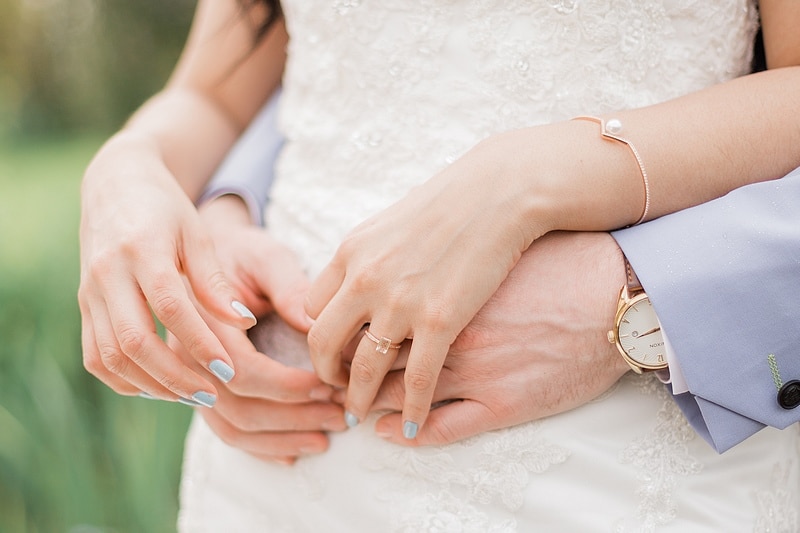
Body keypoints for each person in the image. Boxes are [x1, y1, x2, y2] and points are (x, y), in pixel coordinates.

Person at [78, 1, 800, 530]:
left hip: (603, 467)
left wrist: (531, 178)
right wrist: (132, 162)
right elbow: (213, 91)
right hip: (270, 479)